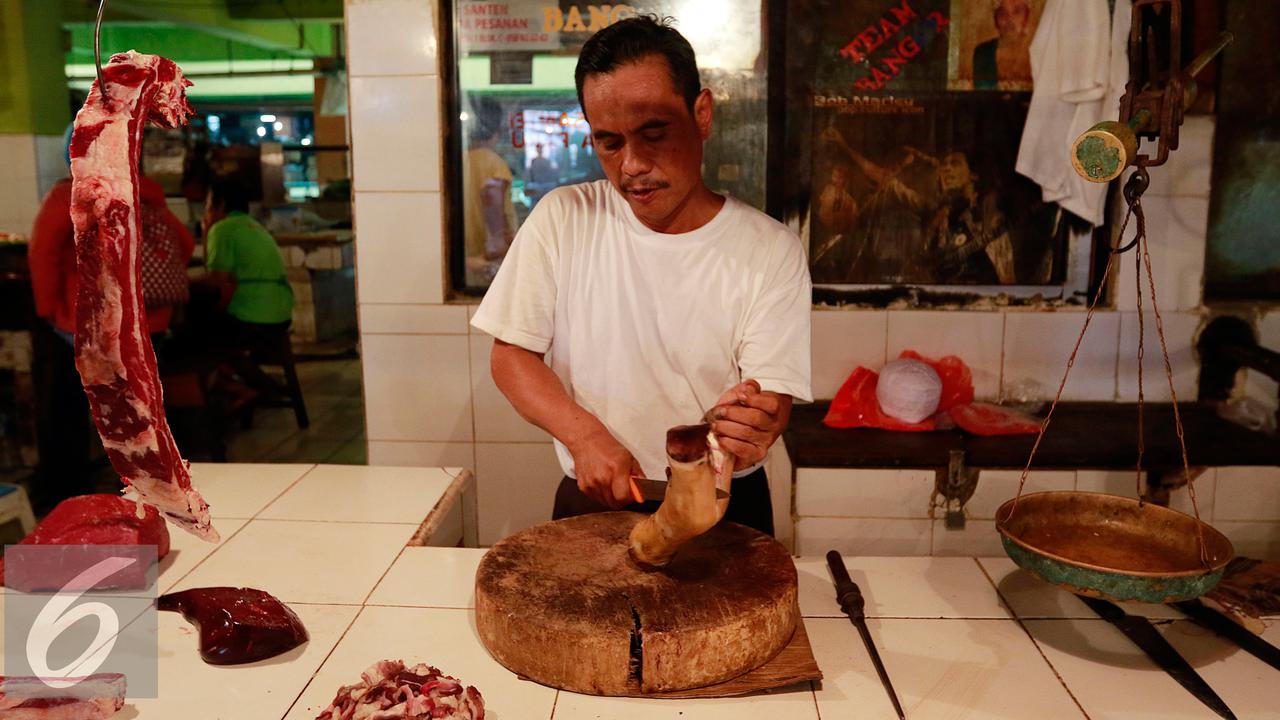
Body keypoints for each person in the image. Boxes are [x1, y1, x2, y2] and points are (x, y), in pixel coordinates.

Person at [470, 16, 812, 535]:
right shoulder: (565, 218)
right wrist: (584, 437)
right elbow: (511, 356)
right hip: (596, 499)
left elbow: (773, 398)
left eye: (653, 134)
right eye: (609, 143)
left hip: (722, 508)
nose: (631, 165)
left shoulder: (769, 250)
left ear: (701, 114)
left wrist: (756, 423)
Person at [28, 131, 194, 513]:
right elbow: (182, 246)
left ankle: (69, 493)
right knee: (143, 413)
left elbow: (43, 255)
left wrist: (47, 311)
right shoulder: (146, 195)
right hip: (146, 329)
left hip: (85, 329)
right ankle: (155, 493)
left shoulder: (68, 195)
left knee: (69, 411)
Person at [195, 179, 294, 349]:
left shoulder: (222, 228)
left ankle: (222, 374)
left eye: (208, 203)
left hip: (250, 317)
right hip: (282, 315)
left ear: (221, 204)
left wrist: (184, 281)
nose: (205, 210)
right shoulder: (256, 226)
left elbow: (216, 279)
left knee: (195, 329)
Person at [463, 96, 518, 286]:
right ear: (496, 128)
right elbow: (492, 199)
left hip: (469, 260)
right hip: (487, 260)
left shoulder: (462, 160)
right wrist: (501, 245)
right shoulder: (493, 163)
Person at [973, 0, 1035, 90]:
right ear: (995, 19)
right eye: (1002, 13)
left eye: (1017, 12)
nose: (1009, 19)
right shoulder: (984, 52)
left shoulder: (1039, 49)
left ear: (1027, 16)